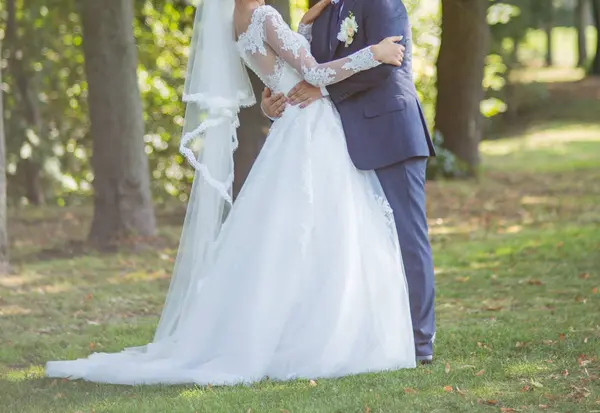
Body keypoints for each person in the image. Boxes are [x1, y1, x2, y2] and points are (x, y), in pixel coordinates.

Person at [45, 0, 416, 386]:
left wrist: (303, 32)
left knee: (293, 234)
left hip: (294, 124)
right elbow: (313, 72)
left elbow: (281, 73)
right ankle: (323, 334)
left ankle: (299, 326)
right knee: (322, 230)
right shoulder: (264, 15)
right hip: (310, 128)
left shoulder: (238, 20)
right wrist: (374, 53)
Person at [262, 0, 437, 364]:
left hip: (391, 131)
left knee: (407, 237)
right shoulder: (323, 11)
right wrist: (275, 95)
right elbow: (311, 67)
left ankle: (420, 343)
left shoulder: (383, 3)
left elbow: (388, 65)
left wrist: (322, 91)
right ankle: (376, 334)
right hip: (342, 140)